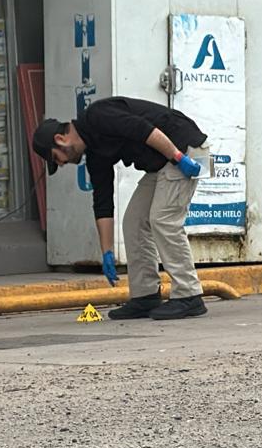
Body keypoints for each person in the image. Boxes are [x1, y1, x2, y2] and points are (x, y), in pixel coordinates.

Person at [31, 96, 209, 320]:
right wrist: (106, 252)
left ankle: (189, 295)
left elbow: (145, 130)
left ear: (61, 139)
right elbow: (103, 202)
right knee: (134, 222)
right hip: (163, 163)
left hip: (183, 148)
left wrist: (178, 157)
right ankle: (145, 296)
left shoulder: (98, 116)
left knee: (163, 219)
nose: (62, 164)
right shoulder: (95, 154)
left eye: (57, 158)